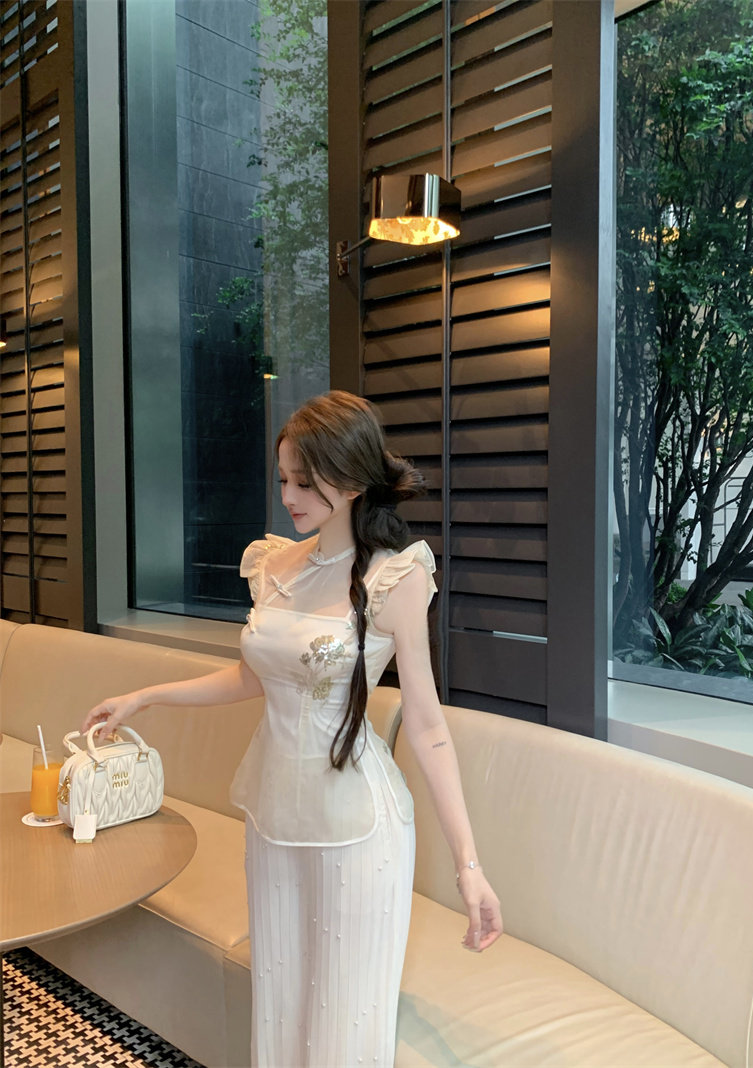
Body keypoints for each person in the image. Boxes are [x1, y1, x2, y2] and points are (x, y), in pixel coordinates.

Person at [82, 390, 502, 1068]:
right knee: (279, 1011)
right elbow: (254, 678)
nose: (288, 496)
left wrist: (469, 867)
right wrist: (144, 697)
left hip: (359, 831)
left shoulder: (395, 576)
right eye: (283, 478)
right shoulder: (274, 565)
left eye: (305, 481)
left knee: (343, 1029)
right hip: (272, 816)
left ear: (353, 479)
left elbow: (427, 727)